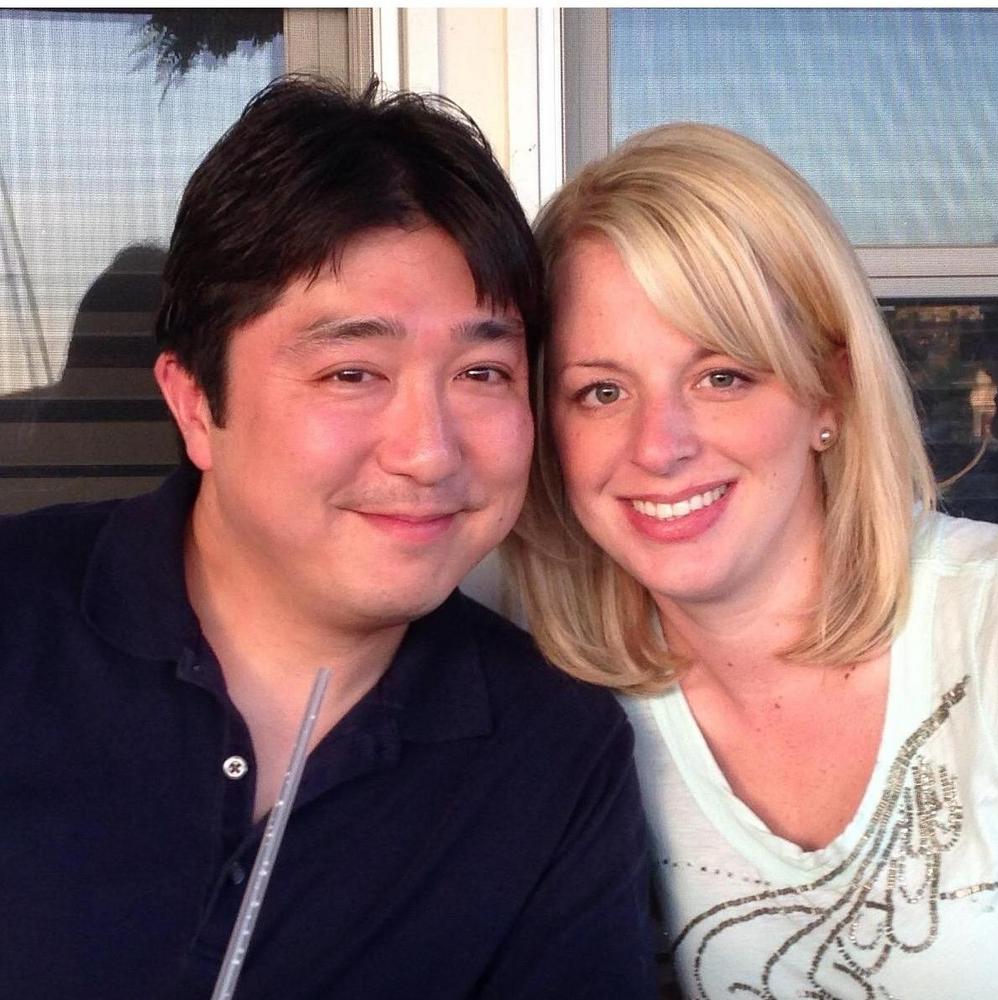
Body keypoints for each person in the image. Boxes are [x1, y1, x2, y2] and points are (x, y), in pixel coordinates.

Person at [0, 77, 658, 1000]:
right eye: (352, 372)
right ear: (194, 404)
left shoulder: (551, 755)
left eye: (482, 372)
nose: (429, 452)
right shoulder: (19, 619)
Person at [506, 122, 998, 999]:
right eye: (602, 391)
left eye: (722, 376)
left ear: (830, 394)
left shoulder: (986, 626)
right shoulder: (563, 715)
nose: (660, 446)